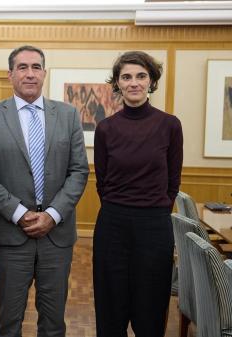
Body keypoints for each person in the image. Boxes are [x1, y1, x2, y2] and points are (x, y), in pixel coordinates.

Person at [0, 45, 89, 337]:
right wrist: (18, 213)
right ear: (10, 74)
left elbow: (78, 171)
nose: (29, 74)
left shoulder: (68, 115)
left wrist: (52, 214)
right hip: (11, 235)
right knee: (8, 323)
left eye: (36, 67)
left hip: (56, 236)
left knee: (53, 324)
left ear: (44, 74)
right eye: (22, 67)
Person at [93, 51, 183, 337]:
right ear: (117, 83)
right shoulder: (106, 128)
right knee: (111, 309)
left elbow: (173, 180)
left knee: (151, 311)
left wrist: (154, 210)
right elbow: (103, 182)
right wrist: (122, 208)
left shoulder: (170, 125)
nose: (134, 83)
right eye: (126, 77)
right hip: (113, 225)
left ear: (151, 81)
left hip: (154, 227)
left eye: (141, 76)